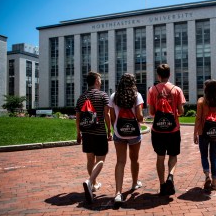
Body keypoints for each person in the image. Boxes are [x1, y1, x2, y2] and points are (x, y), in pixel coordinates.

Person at [147, 63, 186, 196]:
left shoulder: (152, 90)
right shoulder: (177, 90)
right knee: (173, 155)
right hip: (173, 129)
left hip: (157, 130)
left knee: (160, 157)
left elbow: (152, 112)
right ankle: (171, 175)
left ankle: (162, 184)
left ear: (158, 75)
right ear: (169, 75)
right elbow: (181, 111)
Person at [75, 71, 112, 204]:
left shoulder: (81, 97)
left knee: (90, 159)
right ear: (96, 81)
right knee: (101, 159)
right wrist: (109, 130)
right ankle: (90, 182)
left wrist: (78, 133)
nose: (101, 82)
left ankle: (94, 183)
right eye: (100, 79)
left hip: (86, 133)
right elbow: (106, 114)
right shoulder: (103, 95)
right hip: (100, 132)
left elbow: (78, 118)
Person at [108, 73, 144, 203]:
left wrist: (116, 128)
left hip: (119, 133)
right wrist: (142, 120)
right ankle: (134, 183)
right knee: (134, 159)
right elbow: (139, 116)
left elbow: (112, 117)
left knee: (120, 162)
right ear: (133, 83)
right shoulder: (137, 96)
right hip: (134, 133)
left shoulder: (113, 96)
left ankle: (118, 193)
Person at [193, 79, 216, 191]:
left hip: (203, 132)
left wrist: (195, 133)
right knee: (213, 157)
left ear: (206, 89)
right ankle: (214, 182)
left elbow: (198, 118)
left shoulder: (201, 101)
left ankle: (207, 175)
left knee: (204, 155)